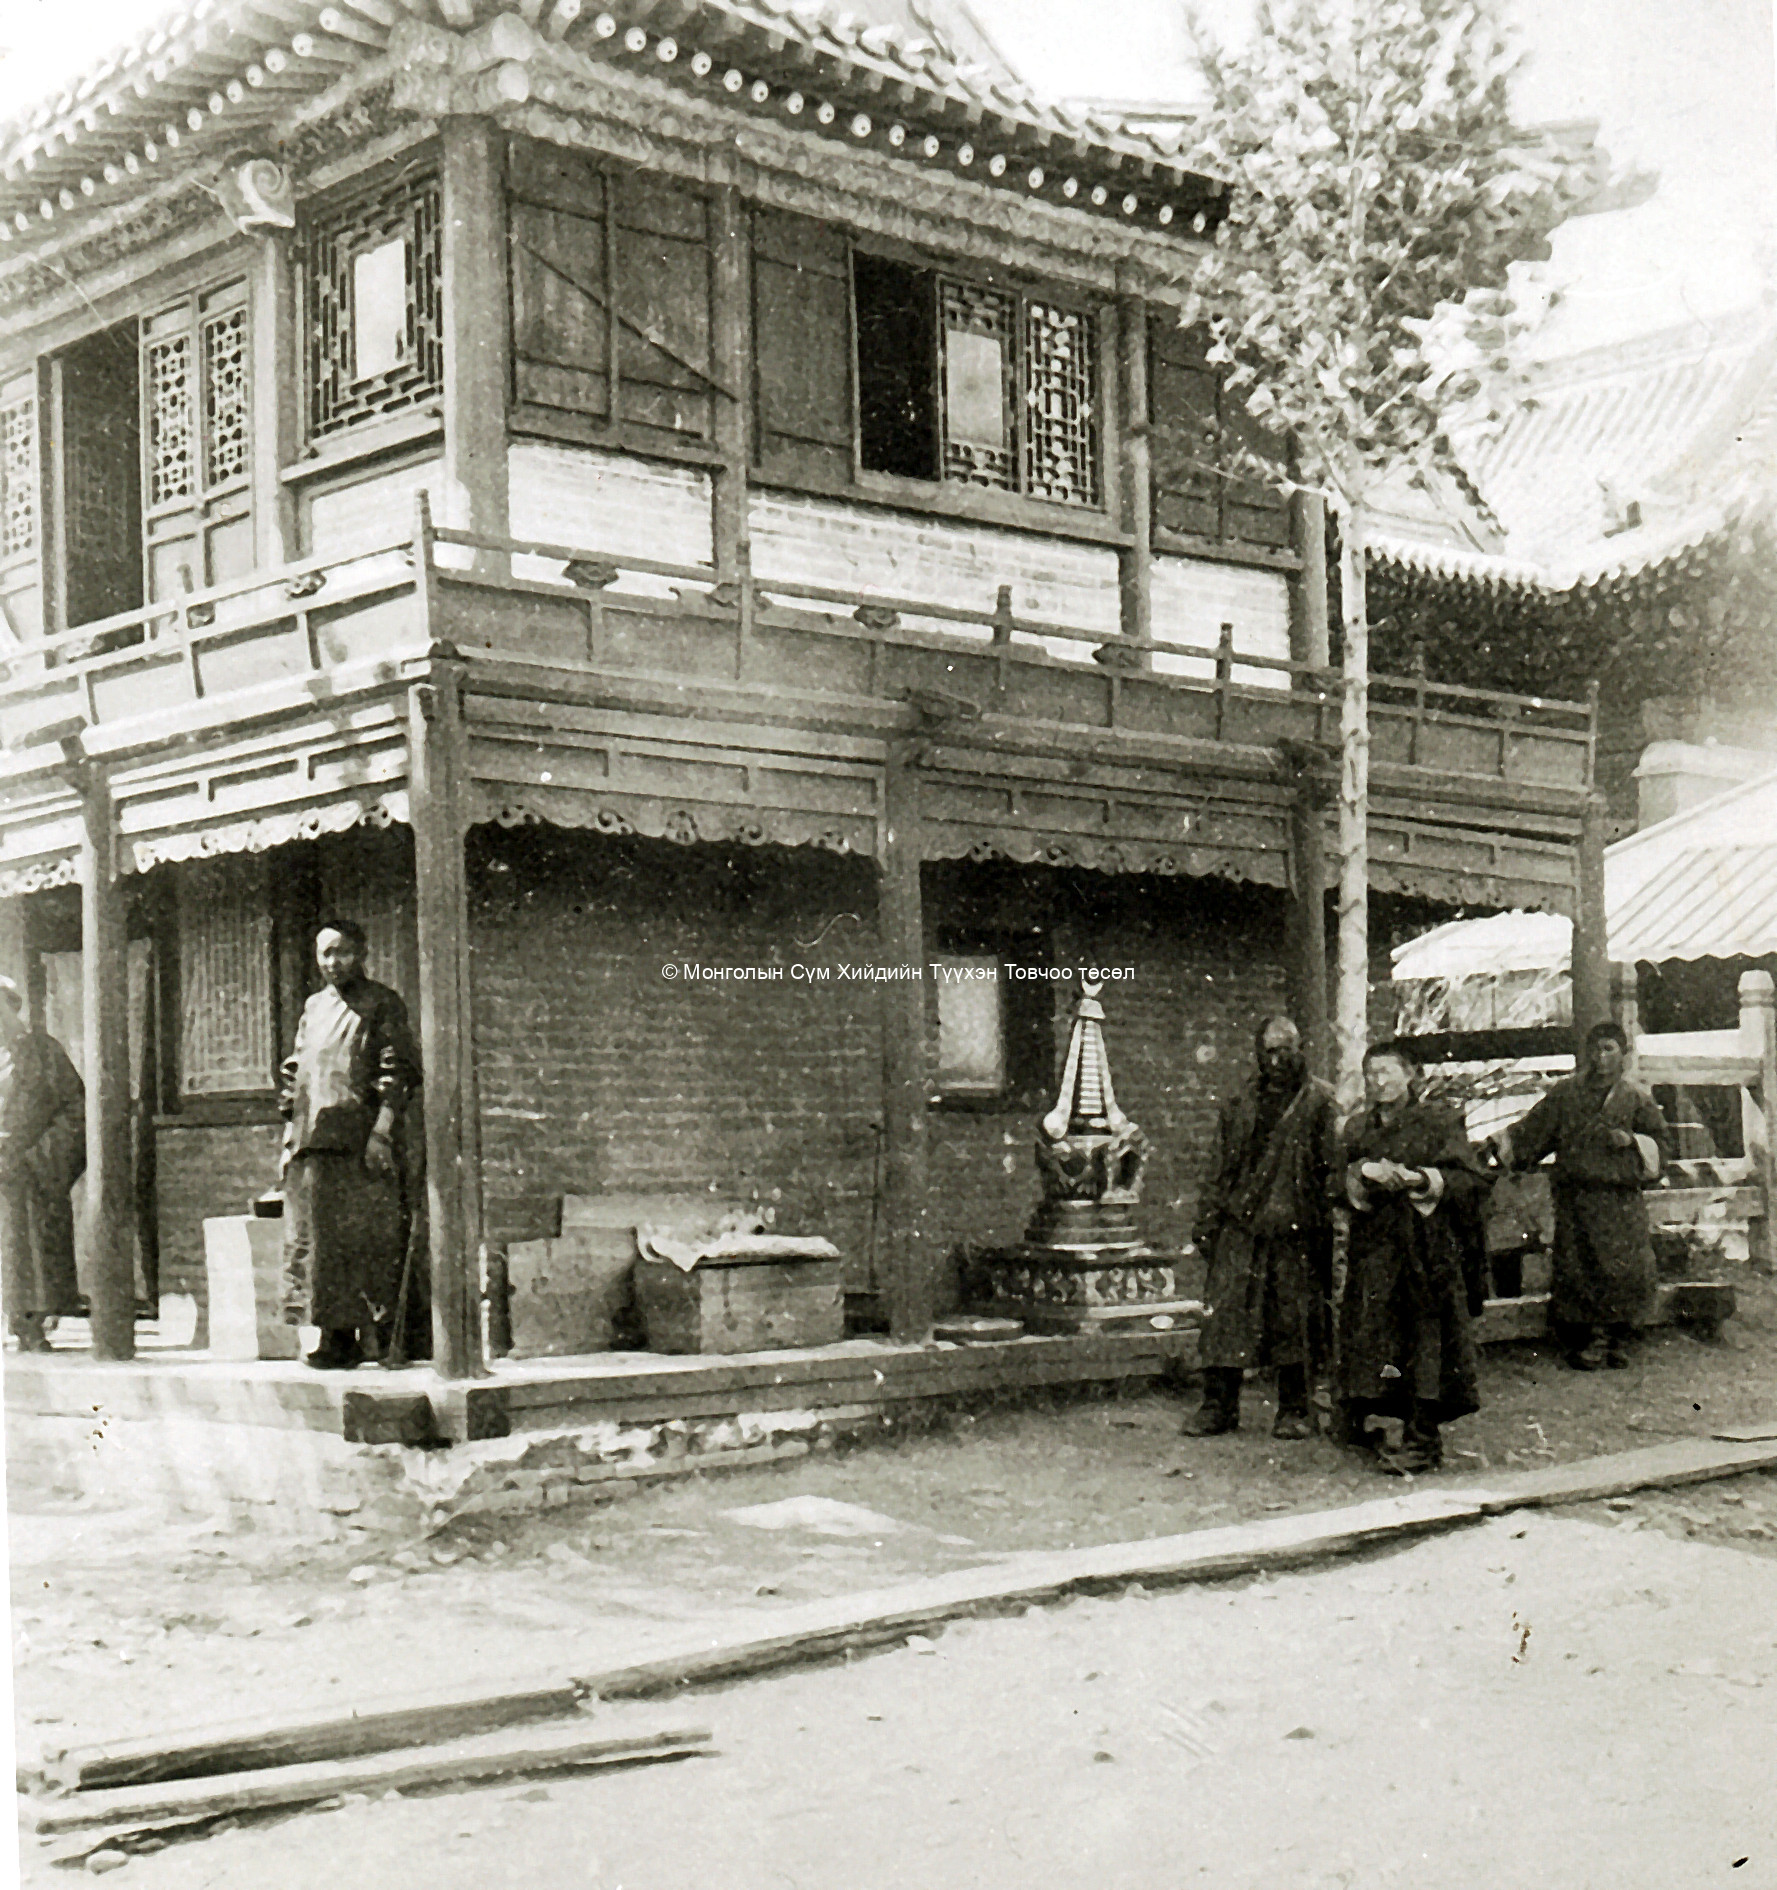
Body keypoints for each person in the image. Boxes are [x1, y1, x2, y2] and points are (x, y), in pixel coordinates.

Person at [1335, 1041, 1488, 1475]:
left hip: (1424, 1249)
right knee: (1373, 1337)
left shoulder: (1439, 1122)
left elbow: (1470, 1180)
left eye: (1388, 1072)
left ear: (1411, 1075)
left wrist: (1421, 1178)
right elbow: (1332, 1180)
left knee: (1426, 1342)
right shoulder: (1358, 1129)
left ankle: (1424, 1438)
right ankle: (1362, 1419)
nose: (1379, 1081)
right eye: (1371, 1073)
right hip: (1375, 1250)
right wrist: (1360, 1177)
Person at [1184, 1015, 1339, 1439]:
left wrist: (1316, 1220)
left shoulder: (1320, 1102)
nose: (1277, 1059)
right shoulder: (1239, 1102)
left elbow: (1331, 1171)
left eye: (1285, 1048)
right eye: (1268, 1050)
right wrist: (1207, 1219)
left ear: (1300, 1047)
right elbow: (1219, 1165)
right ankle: (1218, 1405)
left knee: (1293, 1321)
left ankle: (1294, 1409)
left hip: (1294, 1231)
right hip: (1240, 1225)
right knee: (1224, 1318)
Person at [279, 920, 422, 1370]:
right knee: (320, 1247)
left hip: (360, 1143)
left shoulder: (381, 1003)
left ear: (361, 953)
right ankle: (333, 1339)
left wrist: (381, 1131)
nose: (332, 962)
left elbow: (395, 1071)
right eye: (324, 953)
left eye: (341, 952)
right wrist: (289, 1133)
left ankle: (379, 1339)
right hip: (314, 1142)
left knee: (367, 1241)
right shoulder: (314, 1007)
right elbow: (296, 1072)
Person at [1491, 1021, 1668, 1371]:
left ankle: (1619, 1337)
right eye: (1596, 1049)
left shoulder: (1636, 1100)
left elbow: (1662, 1148)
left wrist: (1632, 1141)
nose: (1601, 1058)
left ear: (1623, 1055)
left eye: (1609, 1050)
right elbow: (1533, 1131)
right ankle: (1592, 1338)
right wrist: (1499, 1148)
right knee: (1580, 1267)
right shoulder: (1566, 1095)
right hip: (1578, 1198)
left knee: (1623, 1269)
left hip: (1620, 1201)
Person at [0, 978, 86, 1352]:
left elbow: (76, 1111)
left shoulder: (43, 1053)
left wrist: (38, 1158)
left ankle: (30, 1326)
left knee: (26, 1250)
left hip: (27, 1171)